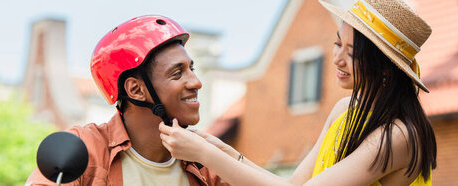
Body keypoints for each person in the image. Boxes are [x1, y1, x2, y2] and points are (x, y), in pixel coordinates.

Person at [159, 0, 437, 185]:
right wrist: (222, 150)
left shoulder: (399, 136)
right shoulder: (344, 110)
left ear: (386, 69)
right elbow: (293, 183)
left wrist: (206, 155)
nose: (337, 58)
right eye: (337, 44)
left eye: (351, 52)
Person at [26, 15, 228, 186]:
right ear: (135, 90)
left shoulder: (207, 162)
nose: (196, 83)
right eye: (177, 73)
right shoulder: (83, 150)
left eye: (191, 69)